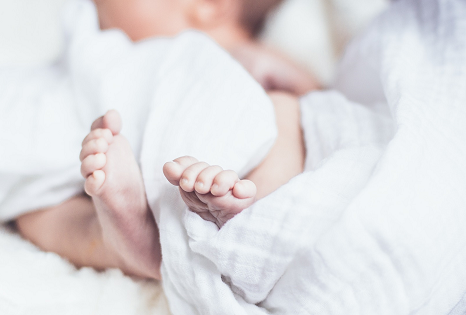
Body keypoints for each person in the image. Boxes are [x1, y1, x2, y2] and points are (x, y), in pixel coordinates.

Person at [16, 0, 308, 280]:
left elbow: (324, 110)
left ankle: (250, 221)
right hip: (121, 175)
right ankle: (122, 243)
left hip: (234, 170)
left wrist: (301, 83)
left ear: (210, 3)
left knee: (286, 112)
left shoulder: (248, 56)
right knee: (30, 202)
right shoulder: (112, 61)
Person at [92, 0, 320, 95]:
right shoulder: (100, 53)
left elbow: (331, 116)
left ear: (211, 3)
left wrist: (305, 87)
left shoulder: (264, 69)